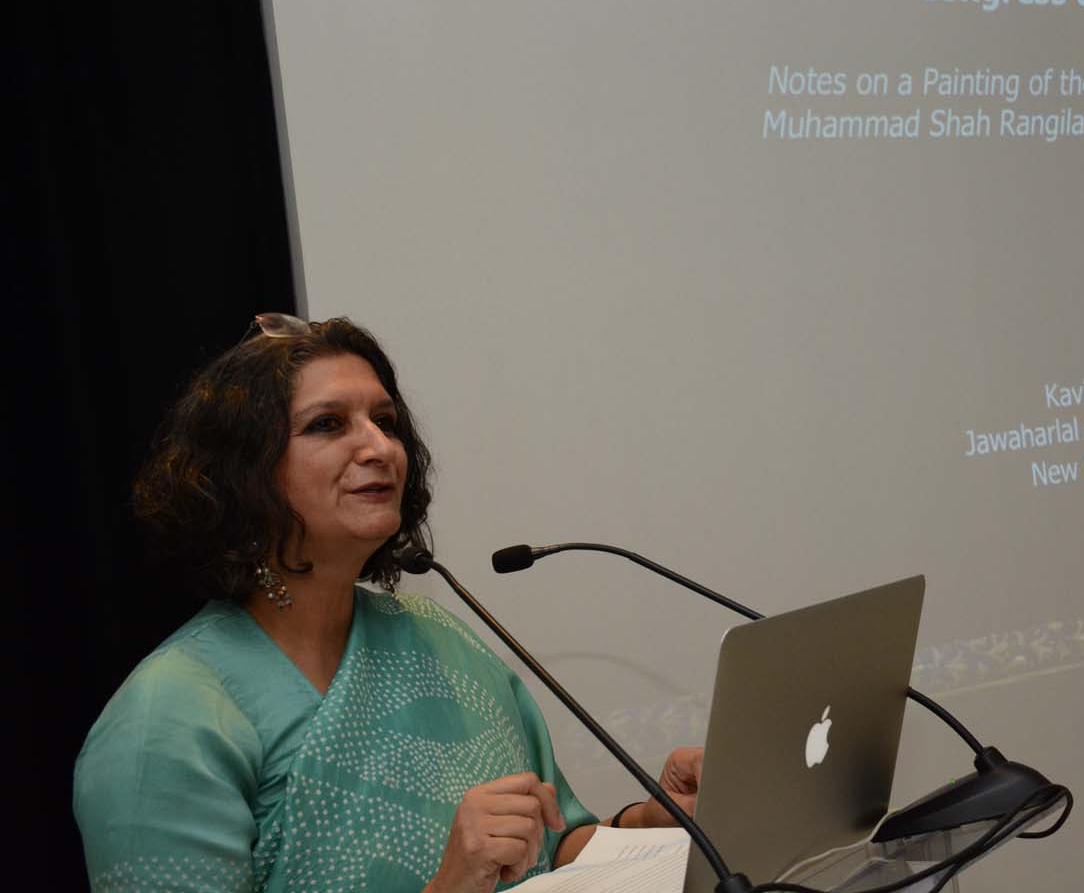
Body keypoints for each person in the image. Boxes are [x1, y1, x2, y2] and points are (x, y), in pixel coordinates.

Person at [74, 314, 701, 892]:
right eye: (328, 424)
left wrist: (651, 822)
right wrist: (449, 886)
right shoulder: (166, 719)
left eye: (386, 421)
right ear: (243, 473)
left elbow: (551, 849)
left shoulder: (439, 638)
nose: (380, 448)